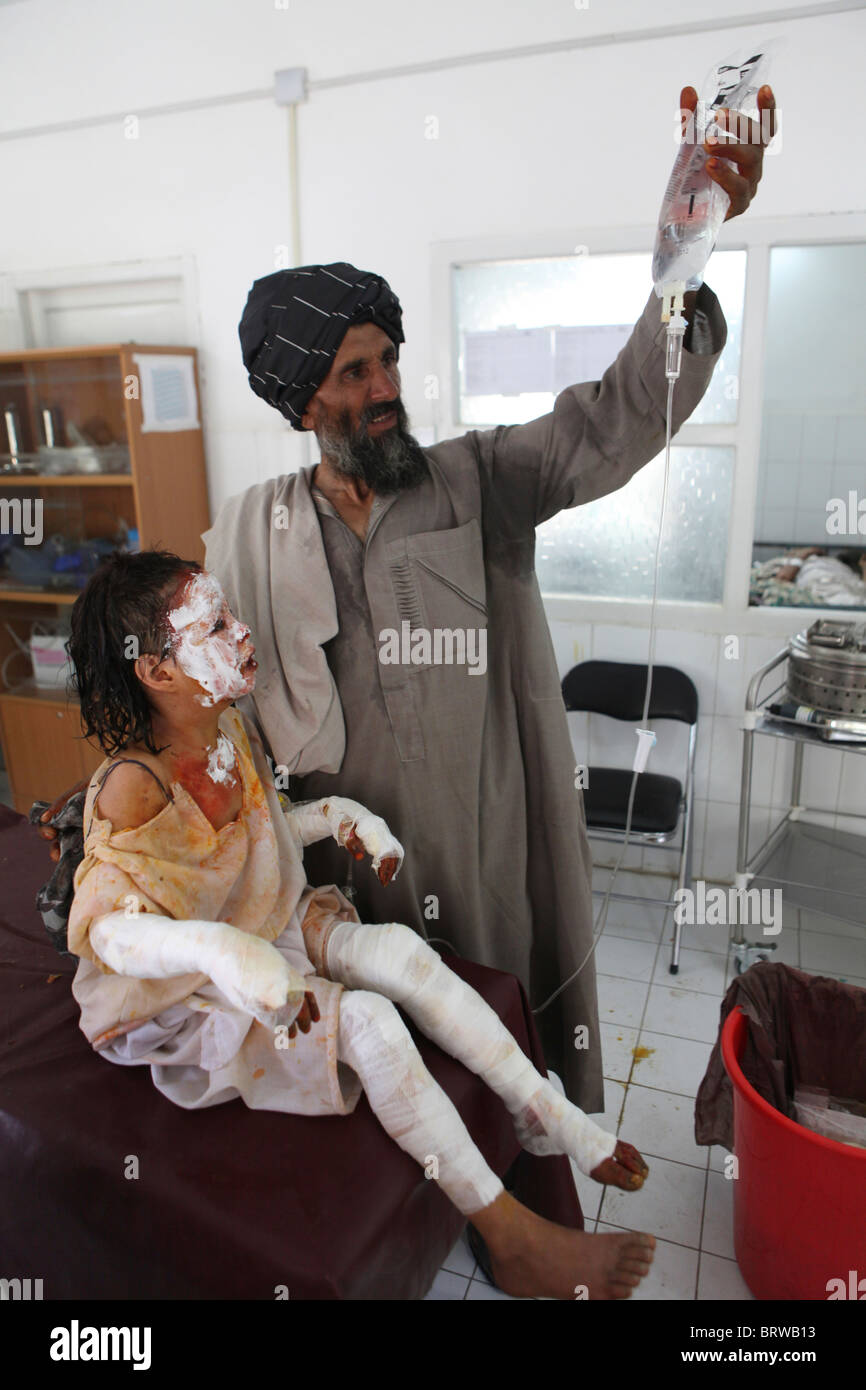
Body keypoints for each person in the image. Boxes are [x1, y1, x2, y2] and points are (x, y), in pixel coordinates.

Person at [40, 85, 776, 1115]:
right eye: (352, 371)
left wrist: (682, 269)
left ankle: (518, 1193)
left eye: (387, 358)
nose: (383, 385)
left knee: (496, 1035)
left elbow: (615, 419)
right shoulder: (251, 527)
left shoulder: (480, 479)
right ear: (303, 402)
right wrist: (122, 828)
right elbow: (194, 702)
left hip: (482, 846)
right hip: (343, 861)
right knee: (374, 1055)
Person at [65, 549, 655, 1300]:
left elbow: (258, 835)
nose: (244, 634)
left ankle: (546, 1116)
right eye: (215, 625)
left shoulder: (229, 730)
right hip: (177, 994)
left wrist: (345, 817)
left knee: (403, 954)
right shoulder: (131, 788)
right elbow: (111, 933)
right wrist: (220, 954)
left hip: (264, 928)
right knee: (371, 1022)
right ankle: (512, 1239)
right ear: (156, 671)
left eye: (232, 614)